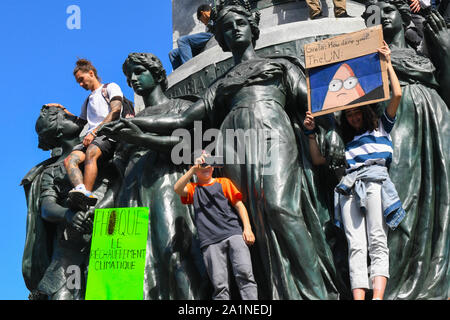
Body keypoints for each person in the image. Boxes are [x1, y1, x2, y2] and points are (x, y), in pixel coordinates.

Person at [101, 0, 339, 300]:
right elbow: (183, 119)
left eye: (240, 23)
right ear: (221, 38)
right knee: (255, 219)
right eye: (227, 27)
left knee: (281, 208)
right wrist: (136, 130)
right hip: (236, 146)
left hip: (271, 132)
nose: (235, 30)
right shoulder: (220, 84)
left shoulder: (277, 65)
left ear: (253, 28)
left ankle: (315, 291)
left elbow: (313, 99)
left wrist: (329, 128)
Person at [100, 52, 210, 300]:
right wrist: (102, 209)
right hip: (130, 191)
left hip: (166, 180)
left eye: (139, 72)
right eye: (129, 77)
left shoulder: (181, 107)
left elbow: (188, 145)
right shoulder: (131, 121)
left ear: (158, 74)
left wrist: (140, 138)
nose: (133, 80)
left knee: (172, 252)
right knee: (132, 272)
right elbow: (117, 174)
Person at [362, 0, 450, 300]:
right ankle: (397, 286)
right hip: (396, 119)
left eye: (387, 11)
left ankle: (437, 279)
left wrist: (446, 48)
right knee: (401, 197)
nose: (381, 18)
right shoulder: (366, 58)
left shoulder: (422, 51)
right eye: (373, 15)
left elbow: (445, 87)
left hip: (436, 118)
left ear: (402, 16)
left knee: (442, 198)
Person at [304, 42, 404, 300]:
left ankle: (378, 297)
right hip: (348, 188)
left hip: (374, 182)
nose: (353, 117)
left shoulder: (381, 128)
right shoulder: (343, 144)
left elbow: (397, 96)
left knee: (377, 238)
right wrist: (310, 132)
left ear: (365, 110)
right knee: (356, 245)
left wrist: (388, 62)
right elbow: (317, 160)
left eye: (357, 112)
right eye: (348, 115)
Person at [174, 152, 258, 300]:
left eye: (208, 163)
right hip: (210, 241)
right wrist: (193, 170)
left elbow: (239, 206)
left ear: (213, 166)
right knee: (220, 285)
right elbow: (177, 189)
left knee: (245, 274)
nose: (205, 166)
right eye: (202, 164)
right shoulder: (193, 189)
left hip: (233, 233)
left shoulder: (223, 182)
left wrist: (247, 228)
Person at [63, 59, 124, 207]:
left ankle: (86, 194)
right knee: (70, 160)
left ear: (91, 73)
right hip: (91, 138)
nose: (81, 84)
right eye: (78, 82)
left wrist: (95, 132)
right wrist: (62, 110)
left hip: (108, 133)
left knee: (91, 152)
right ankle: (80, 188)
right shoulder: (87, 100)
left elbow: (115, 111)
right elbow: (80, 122)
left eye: (81, 80)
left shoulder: (110, 87)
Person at [169, 4, 214, 70]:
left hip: (212, 34)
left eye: (201, 20)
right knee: (173, 53)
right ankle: (179, 74)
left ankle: (188, 70)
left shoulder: (214, 13)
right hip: (206, 37)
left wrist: (210, 16)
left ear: (203, 13)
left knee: (182, 40)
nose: (204, 23)